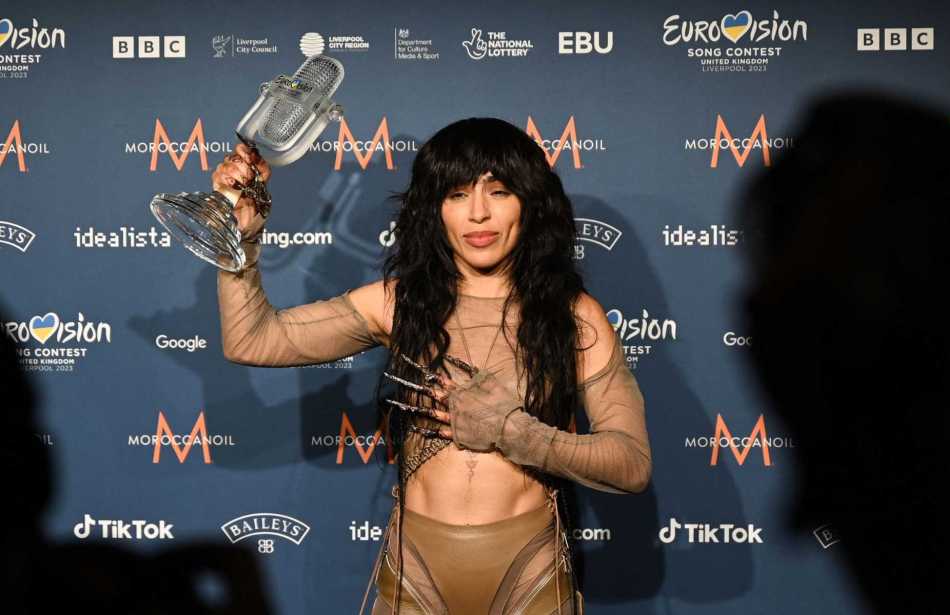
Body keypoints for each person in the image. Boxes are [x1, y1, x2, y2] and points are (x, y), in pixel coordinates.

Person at [214, 117, 653, 615]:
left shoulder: (575, 315)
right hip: (415, 574)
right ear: (434, 208)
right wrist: (240, 241)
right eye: (457, 194)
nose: (479, 214)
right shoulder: (398, 302)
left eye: (500, 192)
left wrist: (512, 430)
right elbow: (252, 340)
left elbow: (631, 464)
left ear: (530, 203)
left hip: (531, 573)